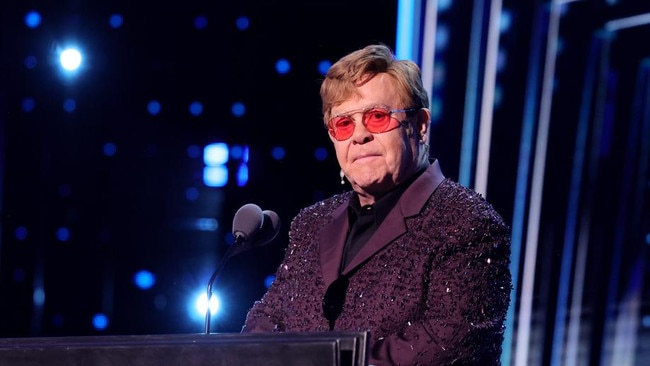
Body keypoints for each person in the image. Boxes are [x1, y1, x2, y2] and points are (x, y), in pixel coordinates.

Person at [241, 43, 512, 366]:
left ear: (420, 125)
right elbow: (267, 322)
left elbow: (442, 348)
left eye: (378, 117)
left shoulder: (467, 222)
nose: (359, 135)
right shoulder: (311, 223)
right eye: (344, 124)